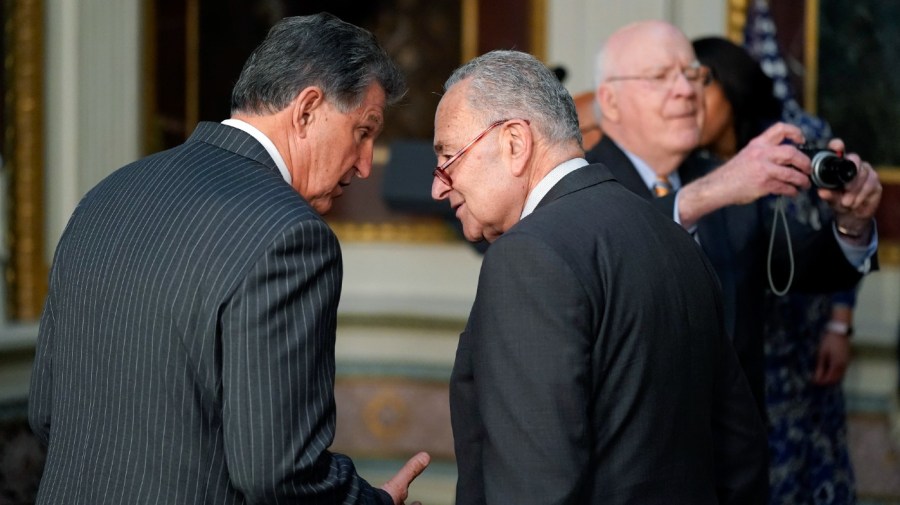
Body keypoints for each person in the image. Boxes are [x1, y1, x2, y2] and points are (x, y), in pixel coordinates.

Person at [28, 13, 429, 505]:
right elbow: (279, 472)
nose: (365, 164)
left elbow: (46, 412)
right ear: (307, 110)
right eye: (363, 132)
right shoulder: (291, 235)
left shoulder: (107, 196)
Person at [432, 49, 767, 505]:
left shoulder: (528, 255)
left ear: (514, 143)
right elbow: (741, 456)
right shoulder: (674, 238)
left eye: (449, 156)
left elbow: (534, 487)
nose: (438, 184)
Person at [584, 20, 881, 419]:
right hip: (624, 463)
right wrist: (707, 193)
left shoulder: (728, 178)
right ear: (611, 100)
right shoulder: (577, 184)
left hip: (733, 464)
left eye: (694, 75)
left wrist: (852, 223)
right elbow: (607, 252)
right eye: (660, 76)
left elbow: (805, 267)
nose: (688, 90)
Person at [694, 35, 859, 504]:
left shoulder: (793, 136)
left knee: (808, 462)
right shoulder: (687, 159)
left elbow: (841, 223)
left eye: (700, 84)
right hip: (736, 345)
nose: (688, 102)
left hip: (801, 334)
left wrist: (839, 324)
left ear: (729, 82)